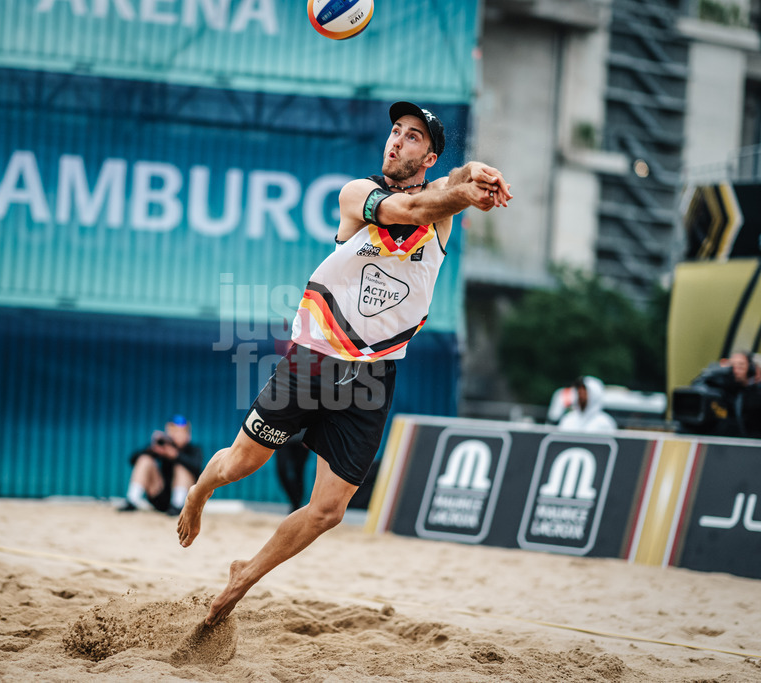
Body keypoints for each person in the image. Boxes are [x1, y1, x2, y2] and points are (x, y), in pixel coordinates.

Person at [177, 101, 512, 625]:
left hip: (373, 375)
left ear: (430, 158)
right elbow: (409, 211)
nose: (397, 140)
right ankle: (199, 491)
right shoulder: (357, 194)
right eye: (396, 130)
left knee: (329, 511)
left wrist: (478, 173)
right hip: (314, 358)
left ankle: (244, 574)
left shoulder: (443, 205)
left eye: (413, 136)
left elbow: (455, 182)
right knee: (241, 464)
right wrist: (465, 191)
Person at [119, 415, 203, 516]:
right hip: (160, 498)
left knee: (181, 467)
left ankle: (177, 505)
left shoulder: (194, 450)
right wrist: (152, 449)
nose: (175, 435)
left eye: (179, 431)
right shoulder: (163, 446)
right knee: (145, 460)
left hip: (184, 502)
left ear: (187, 434)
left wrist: (176, 455)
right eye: (172, 431)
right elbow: (133, 460)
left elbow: (197, 469)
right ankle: (132, 501)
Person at [693, 351, 761, 439]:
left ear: (750, 370)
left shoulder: (759, 399)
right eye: (732, 365)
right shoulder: (718, 395)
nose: (735, 370)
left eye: (741, 366)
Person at [275, 431, 312, 514]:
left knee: (299, 472)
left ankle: (296, 507)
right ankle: (295, 503)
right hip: (283, 437)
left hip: (302, 438)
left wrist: (311, 436)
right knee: (282, 469)